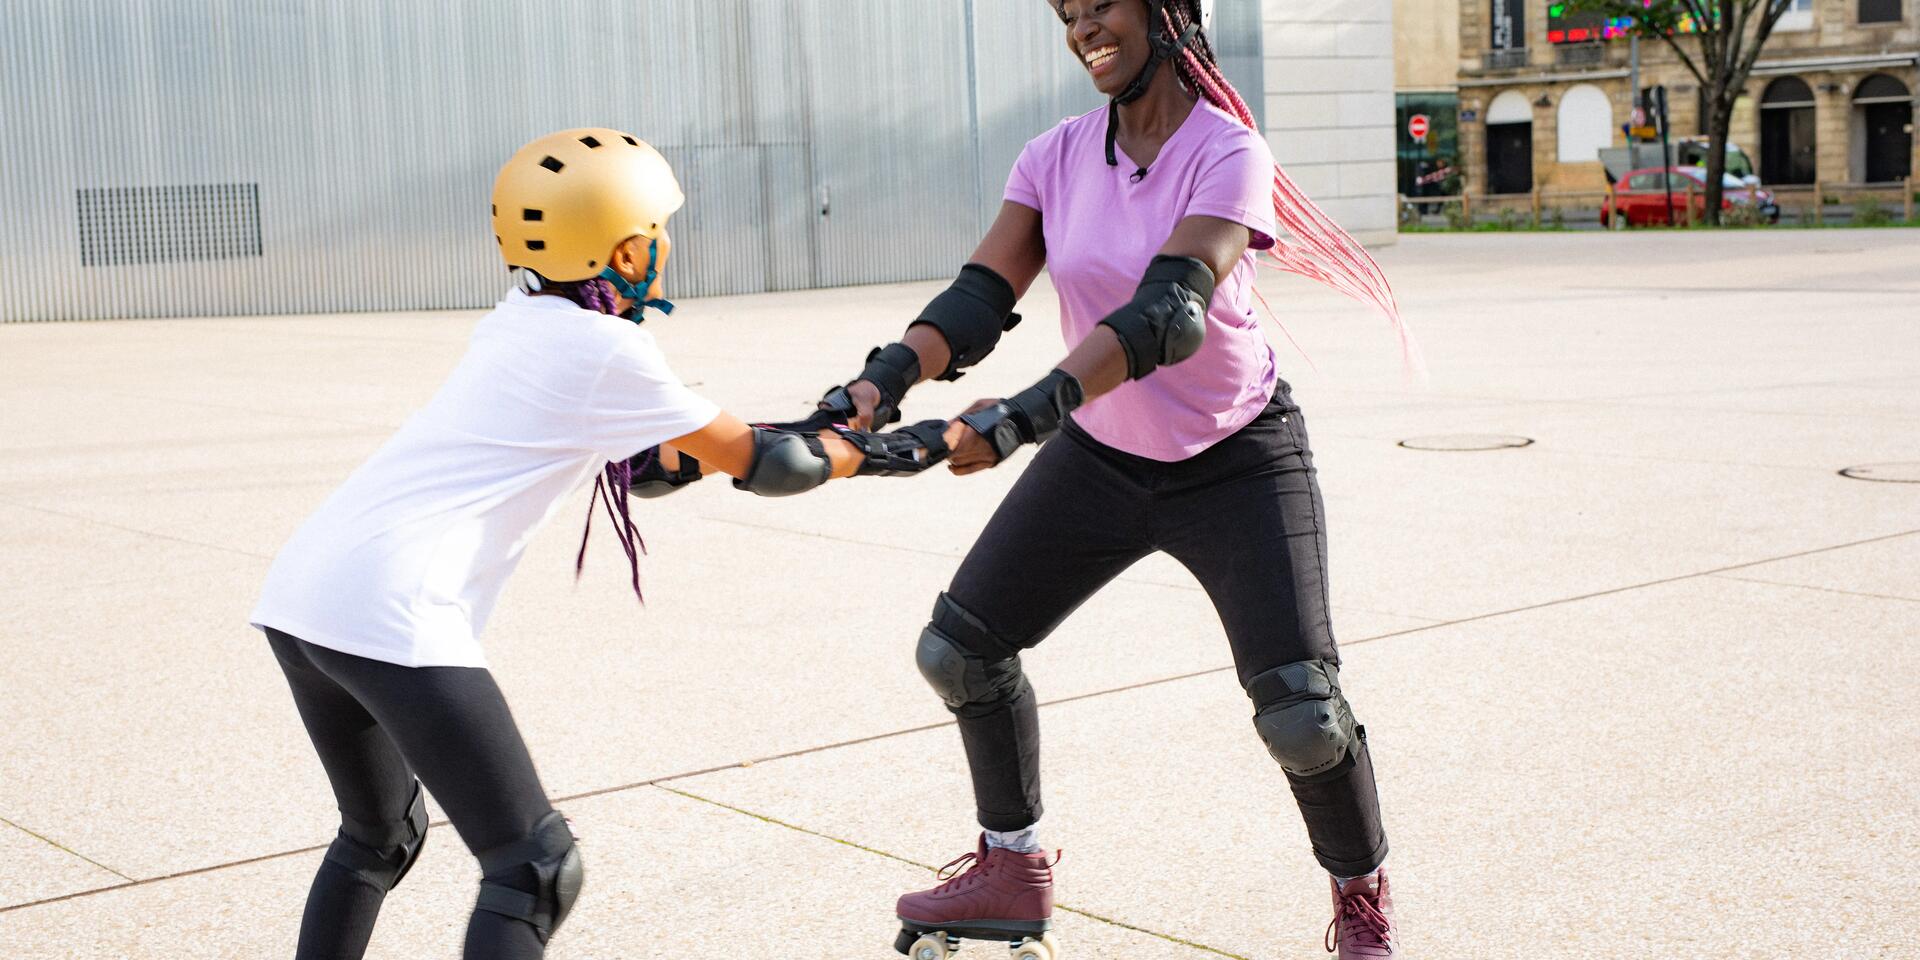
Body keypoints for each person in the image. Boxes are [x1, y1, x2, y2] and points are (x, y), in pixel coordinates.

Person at [250, 128, 946, 960]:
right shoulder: (606, 347)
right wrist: (909, 447)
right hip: (389, 613)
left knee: (377, 836)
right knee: (533, 869)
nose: (667, 242)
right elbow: (773, 465)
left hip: (306, 597)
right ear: (623, 249)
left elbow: (654, 463)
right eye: (657, 229)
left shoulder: (524, 320)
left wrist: (795, 434)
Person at [809, 4, 1406, 958]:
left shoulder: (1228, 149)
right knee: (961, 651)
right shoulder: (1054, 155)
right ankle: (1012, 865)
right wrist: (878, 382)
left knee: (1302, 714)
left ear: (1167, 10)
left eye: (1102, 1)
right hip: (1101, 453)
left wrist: (1019, 419)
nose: (1083, 22)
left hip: (1237, 457)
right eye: (1067, 10)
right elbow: (978, 297)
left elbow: (1170, 312)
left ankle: (1360, 898)